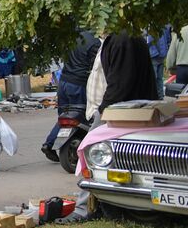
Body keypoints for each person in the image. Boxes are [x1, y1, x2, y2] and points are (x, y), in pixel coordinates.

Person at [42, 32, 100, 160]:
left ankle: (49, 143)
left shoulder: (73, 36)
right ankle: (87, 148)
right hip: (79, 83)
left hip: (64, 81)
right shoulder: (95, 42)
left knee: (64, 116)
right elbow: (97, 66)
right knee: (83, 117)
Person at [88, 32, 158, 117]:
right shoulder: (117, 39)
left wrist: (103, 111)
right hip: (116, 113)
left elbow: (119, 84)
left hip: (120, 115)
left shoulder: (122, 40)